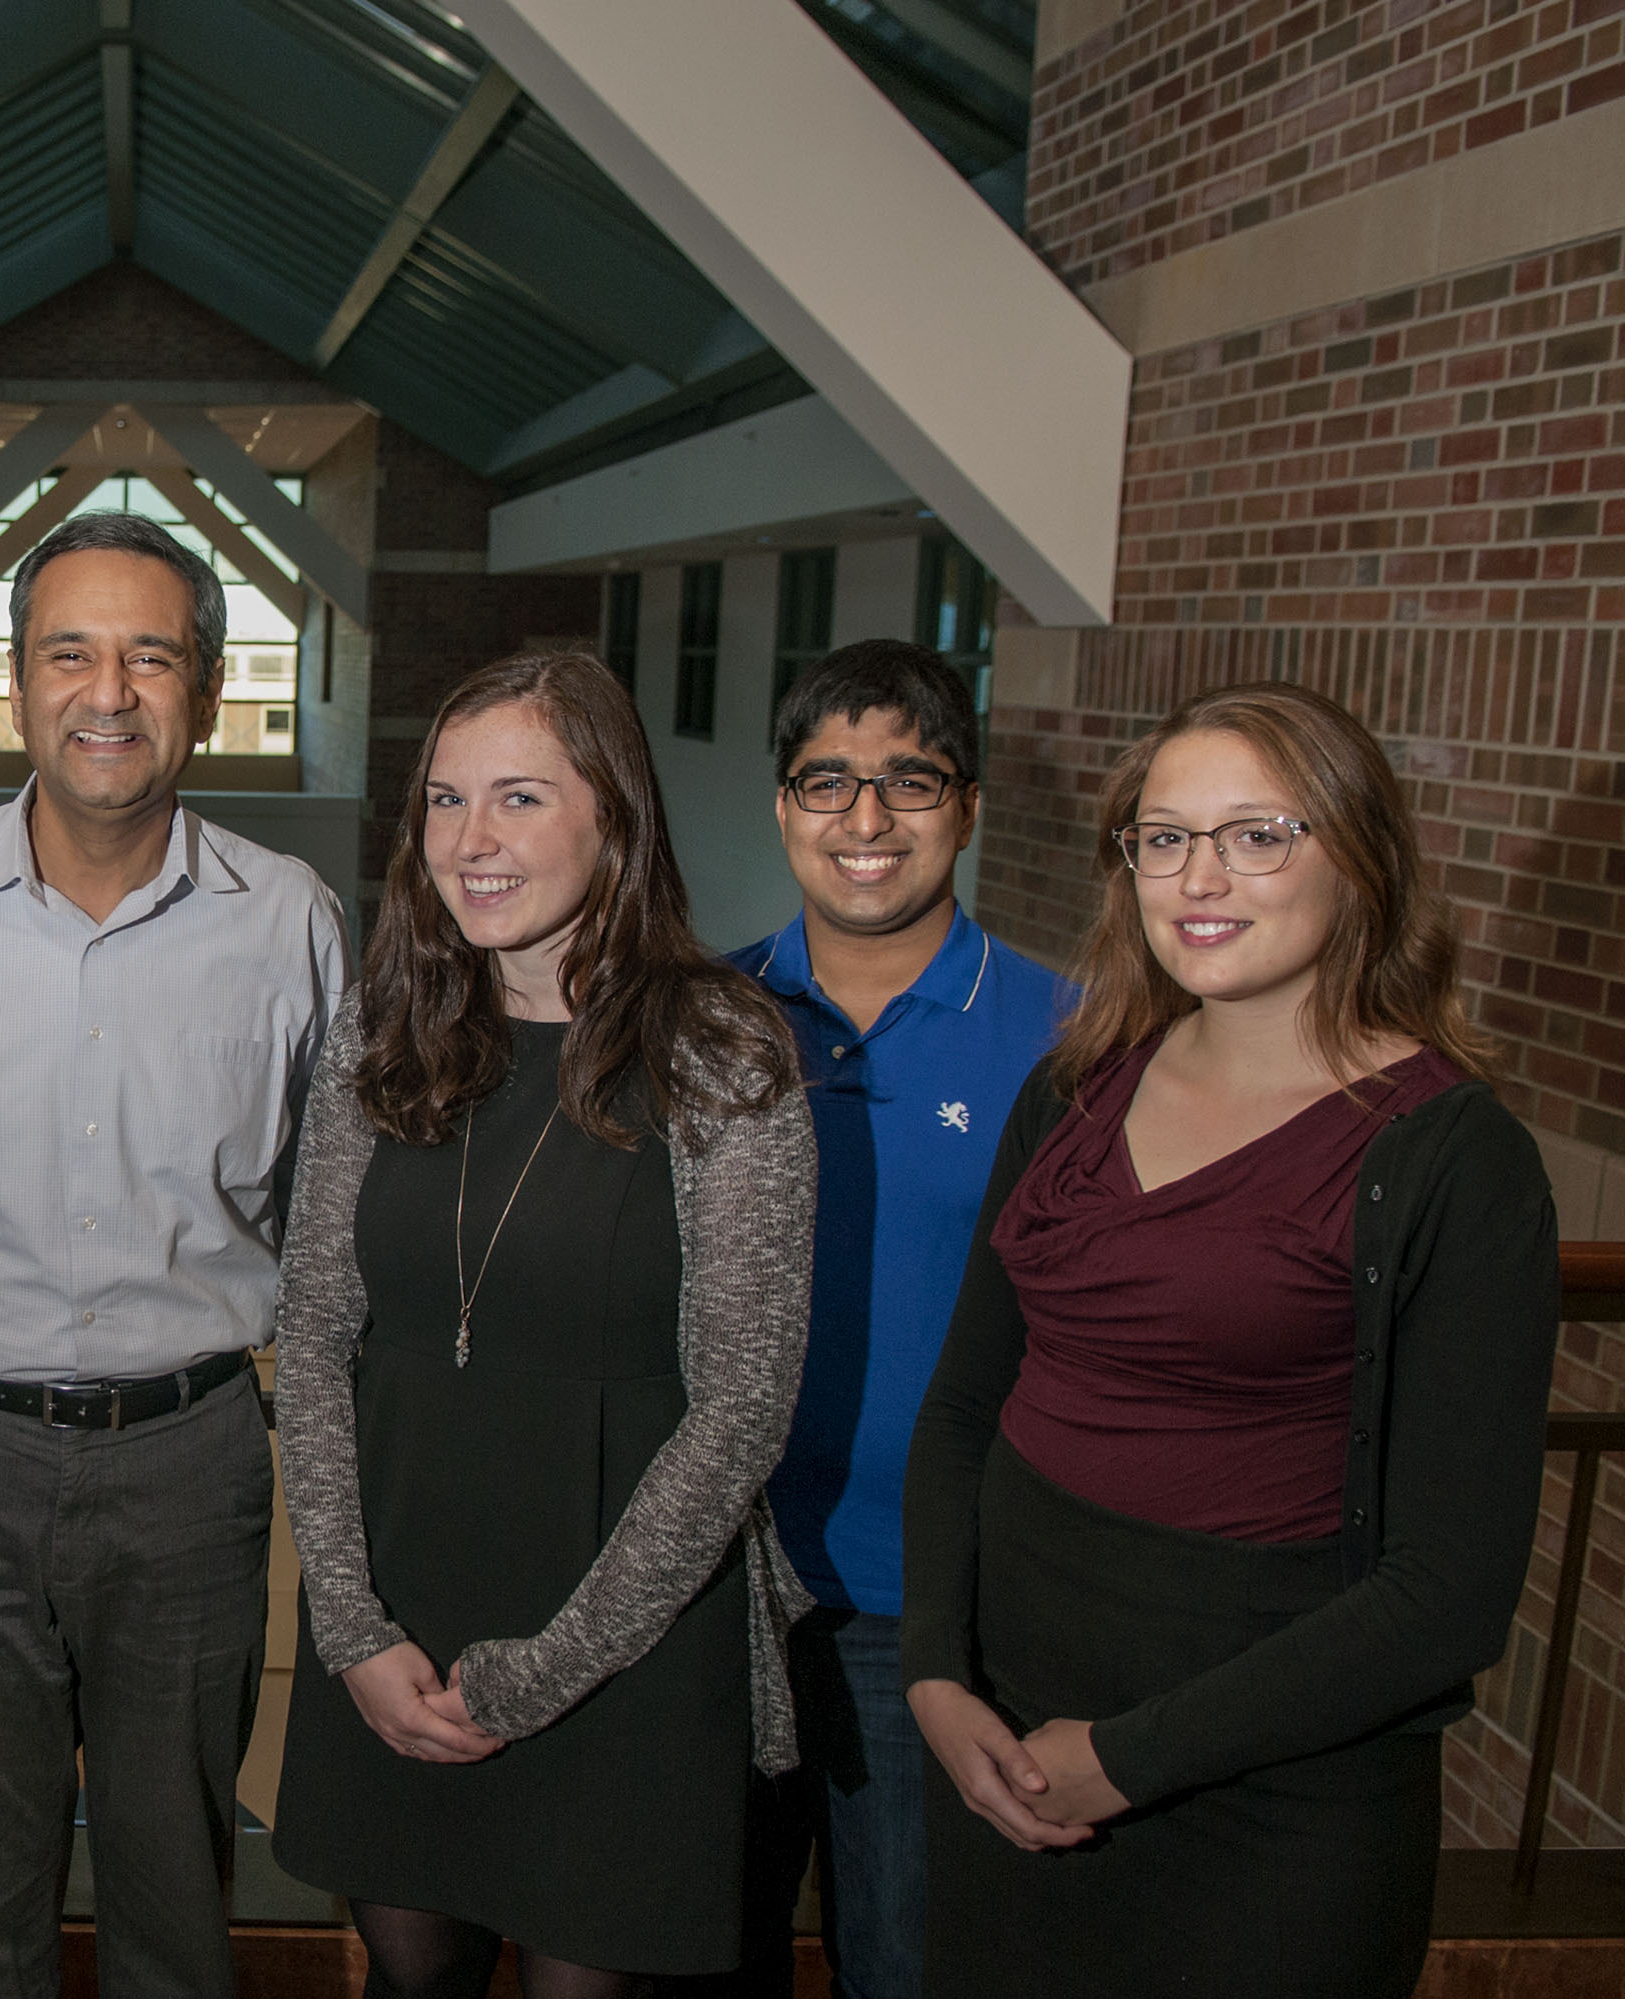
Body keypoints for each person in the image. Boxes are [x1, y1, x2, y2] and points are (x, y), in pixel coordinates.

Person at [900, 682, 1560, 1998]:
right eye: (1162, 835)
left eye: (1259, 833)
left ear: (1359, 856)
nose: (1198, 874)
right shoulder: (1075, 1083)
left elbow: (1449, 1589)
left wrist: (1131, 1755)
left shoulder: (1452, 1159)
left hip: (1276, 1798)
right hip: (1008, 1743)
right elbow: (969, 1400)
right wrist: (933, 1672)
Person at [0, 511, 348, 1999]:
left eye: (150, 654)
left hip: (194, 1458)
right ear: (14, 681)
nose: (107, 690)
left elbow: (335, 1219)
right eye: (69, 651)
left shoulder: (292, 920)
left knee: (179, 1898)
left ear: (209, 686)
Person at [269, 650, 816, 1997]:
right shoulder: (380, 1033)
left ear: (612, 814)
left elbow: (743, 1399)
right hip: (397, 1605)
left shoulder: (720, 1047)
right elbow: (317, 1324)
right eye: (445, 802)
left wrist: (547, 1669)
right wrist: (348, 1620)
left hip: (621, 1634)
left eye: (518, 796)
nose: (472, 841)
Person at [724, 641, 1069, 1999]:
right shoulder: (707, 1014)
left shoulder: (1069, 1037)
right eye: (829, 781)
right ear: (782, 804)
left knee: (909, 1963)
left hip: (930, 1610)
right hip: (723, 1585)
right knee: (702, 1955)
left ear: (968, 804)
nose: (867, 820)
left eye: (910, 780)